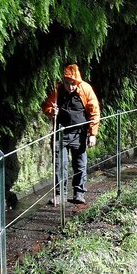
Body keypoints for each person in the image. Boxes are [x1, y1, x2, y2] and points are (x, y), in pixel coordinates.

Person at [42, 64, 100, 205]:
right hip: (60, 133)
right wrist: (51, 111)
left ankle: (79, 193)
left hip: (79, 133)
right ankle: (60, 195)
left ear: (78, 82)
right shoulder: (57, 90)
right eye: (68, 83)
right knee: (59, 165)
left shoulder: (85, 89)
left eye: (73, 84)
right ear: (64, 81)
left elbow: (94, 111)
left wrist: (92, 134)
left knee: (80, 164)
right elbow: (46, 106)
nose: (70, 87)